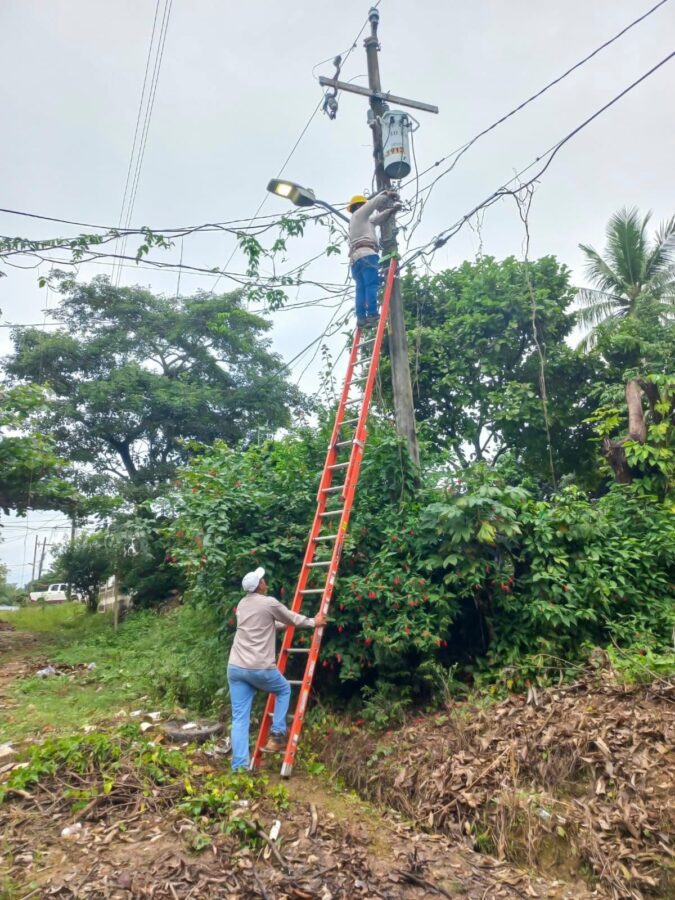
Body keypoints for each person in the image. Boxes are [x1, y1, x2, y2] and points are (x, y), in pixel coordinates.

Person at [227, 566, 328, 770]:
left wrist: (285, 625)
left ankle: (239, 768)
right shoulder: (269, 602)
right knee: (283, 689)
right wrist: (313, 622)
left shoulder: (242, 604)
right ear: (260, 586)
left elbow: (265, 625)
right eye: (262, 580)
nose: (265, 581)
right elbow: (291, 617)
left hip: (236, 667)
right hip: (258, 666)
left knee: (239, 719)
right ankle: (277, 734)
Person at [348, 190, 401, 328]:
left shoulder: (361, 222)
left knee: (361, 288)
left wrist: (392, 210)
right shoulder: (359, 214)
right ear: (359, 206)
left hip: (355, 260)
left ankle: (361, 318)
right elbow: (373, 203)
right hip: (367, 254)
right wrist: (387, 194)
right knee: (371, 284)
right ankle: (372, 313)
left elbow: (378, 218)